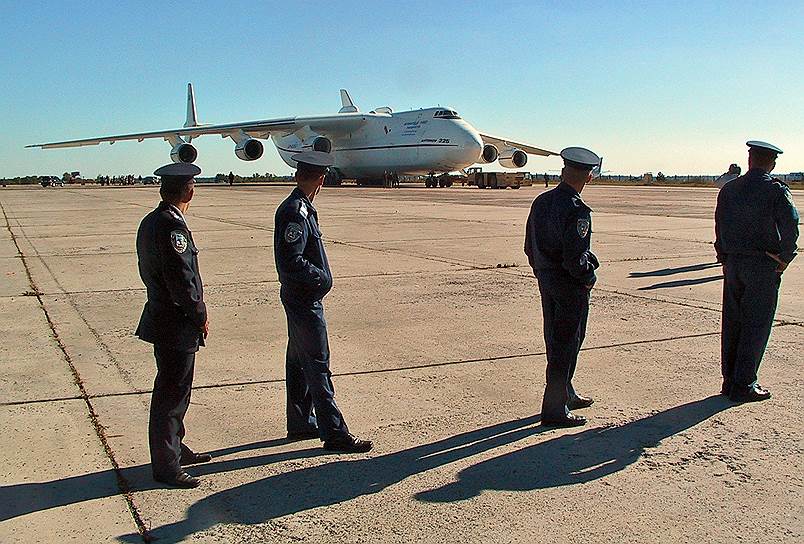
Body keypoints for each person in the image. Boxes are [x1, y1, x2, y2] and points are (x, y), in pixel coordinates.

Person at [274, 151, 372, 453]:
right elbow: (291, 260)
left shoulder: (300, 207)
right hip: (304, 299)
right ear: (321, 179)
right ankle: (335, 432)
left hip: (299, 297)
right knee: (317, 363)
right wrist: (321, 278)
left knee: (299, 362)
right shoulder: (295, 211)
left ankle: (301, 421)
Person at [135, 162, 211, 488]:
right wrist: (200, 314)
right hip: (176, 323)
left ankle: (175, 447)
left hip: (161, 317)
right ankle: (167, 467)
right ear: (189, 190)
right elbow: (182, 281)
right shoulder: (173, 227)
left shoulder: (151, 221)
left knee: (174, 390)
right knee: (172, 394)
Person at [715, 141, 799, 402]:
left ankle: (729, 381)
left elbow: (719, 225)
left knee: (733, 322)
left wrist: (724, 257)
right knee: (756, 324)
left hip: (734, 264)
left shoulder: (729, 189)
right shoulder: (775, 190)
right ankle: (744, 383)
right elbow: (790, 224)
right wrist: (785, 257)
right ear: (772, 163)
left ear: (749, 159)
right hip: (762, 264)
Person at [524, 147, 601, 427]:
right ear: (589, 176)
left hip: (547, 279)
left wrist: (542, 271)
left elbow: (529, 246)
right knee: (567, 344)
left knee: (556, 340)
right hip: (569, 284)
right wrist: (587, 277)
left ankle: (566, 392)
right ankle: (554, 409)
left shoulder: (542, 202)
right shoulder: (576, 209)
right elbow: (575, 258)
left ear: (562, 171)